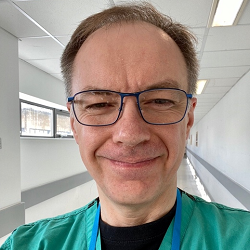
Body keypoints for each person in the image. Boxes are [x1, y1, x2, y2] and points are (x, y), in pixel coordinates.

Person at [1, 2, 250, 250]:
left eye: (160, 100)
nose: (129, 134)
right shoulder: (25, 245)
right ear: (74, 124)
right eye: (99, 104)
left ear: (188, 120)